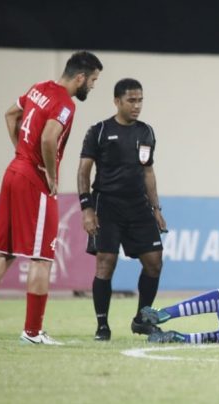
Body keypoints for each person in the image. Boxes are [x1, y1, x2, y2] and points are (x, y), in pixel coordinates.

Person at [0, 51, 103, 345]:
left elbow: (10, 114)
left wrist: (22, 152)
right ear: (80, 78)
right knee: (42, 257)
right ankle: (33, 332)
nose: (92, 86)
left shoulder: (38, 88)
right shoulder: (65, 104)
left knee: (4, 251)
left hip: (14, 170)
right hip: (33, 180)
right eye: (93, 80)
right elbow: (49, 138)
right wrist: (50, 173)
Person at [77, 78, 167, 341]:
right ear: (117, 101)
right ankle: (102, 326)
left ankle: (141, 320)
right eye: (131, 100)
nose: (137, 106)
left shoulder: (146, 132)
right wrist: (86, 208)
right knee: (106, 263)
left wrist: (156, 208)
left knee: (154, 262)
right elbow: (83, 172)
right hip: (107, 205)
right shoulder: (99, 131)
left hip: (139, 206)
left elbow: (148, 172)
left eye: (140, 100)